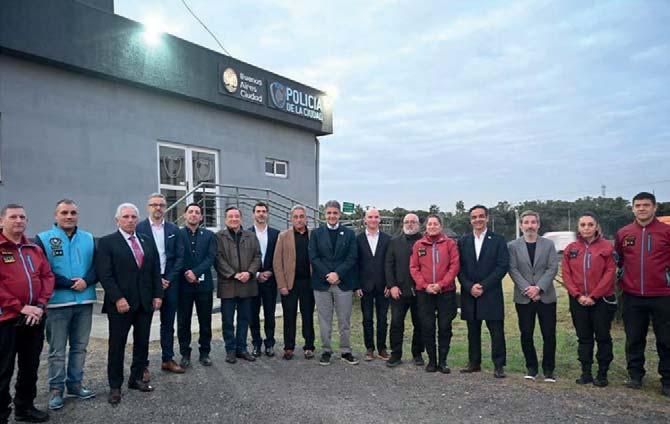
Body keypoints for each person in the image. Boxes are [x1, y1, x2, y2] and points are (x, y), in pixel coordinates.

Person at [96, 203, 163, 405]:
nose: (130, 220)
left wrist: (158, 294)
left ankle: (136, 379)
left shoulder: (146, 240)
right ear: (117, 220)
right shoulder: (107, 242)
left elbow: (155, 270)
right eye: (126, 217)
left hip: (144, 303)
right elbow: (105, 274)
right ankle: (115, 386)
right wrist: (118, 298)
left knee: (142, 343)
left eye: (134, 217)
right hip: (121, 305)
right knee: (117, 346)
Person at [36, 200, 97, 411]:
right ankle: (56, 389)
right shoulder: (43, 239)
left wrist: (86, 281)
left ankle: (75, 384)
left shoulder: (88, 238)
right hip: (57, 303)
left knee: (80, 347)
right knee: (57, 350)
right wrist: (69, 283)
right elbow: (43, 270)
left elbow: (97, 266)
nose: (69, 216)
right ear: (56, 216)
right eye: (64, 213)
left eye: (73, 213)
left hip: (84, 300)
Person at [0, 204, 54, 423]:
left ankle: (25, 407)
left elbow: (47, 276)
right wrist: (19, 306)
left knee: (30, 366)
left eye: (22, 217)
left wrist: (40, 304)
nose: (19, 220)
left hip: (34, 317)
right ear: (2, 221)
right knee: (3, 369)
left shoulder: (34, 249)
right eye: (13, 217)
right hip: (6, 319)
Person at [615, 192, 670, 397]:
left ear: (655, 207)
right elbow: (618, 259)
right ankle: (635, 376)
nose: (642, 209)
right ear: (633, 209)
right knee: (634, 338)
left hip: (662, 294)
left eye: (646, 205)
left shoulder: (666, 231)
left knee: (666, 340)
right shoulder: (624, 233)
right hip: (632, 295)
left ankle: (667, 380)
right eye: (638, 205)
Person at [562, 212, 617, 387]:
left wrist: (594, 296)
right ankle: (586, 373)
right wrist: (577, 295)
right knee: (584, 338)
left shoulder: (606, 247)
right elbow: (566, 274)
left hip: (601, 300)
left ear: (596, 226)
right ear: (578, 227)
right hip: (578, 300)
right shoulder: (571, 248)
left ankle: (602, 374)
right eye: (583, 225)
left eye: (590, 224)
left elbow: (610, 273)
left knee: (603, 337)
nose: (586, 228)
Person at [458, 205, 510, 378]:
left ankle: (499, 365)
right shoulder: (463, 241)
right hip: (470, 293)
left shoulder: (498, 240)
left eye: (481, 216)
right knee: (473, 331)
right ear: (470, 220)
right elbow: (459, 268)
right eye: (474, 217)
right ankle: (474, 363)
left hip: (491, 292)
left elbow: (502, 266)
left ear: (487, 218)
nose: (477, 220)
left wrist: (483, 286)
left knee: (496, 331)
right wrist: (469, 286)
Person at [136, 193, 185, 376]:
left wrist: (168, 279)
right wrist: (155, 280)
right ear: (148, 207)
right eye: (154, 204)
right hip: (147, 282)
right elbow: (137, 257)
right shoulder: (139, 228)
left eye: (161, 205)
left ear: (165, 207)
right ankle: (142, 364)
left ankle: (167, 359)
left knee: (168, 323)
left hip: (169, 281)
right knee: (144, 324)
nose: (158, 208)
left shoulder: (174, 229)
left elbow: (180, 257)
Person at [508, 210, 559, 382]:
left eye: (533, 222)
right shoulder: (512, 246)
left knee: (549, 334)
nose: (530, 225)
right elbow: (512, 269)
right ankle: (531, 368)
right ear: (521, 225)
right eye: (526, 222)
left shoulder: (548, 244)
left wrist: (538, 288)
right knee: (526, 333)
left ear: (538, 224)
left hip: (546, 296)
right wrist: (527, 289)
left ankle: (549, 369)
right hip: (524, 297)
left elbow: (552, 268)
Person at [309, 200, 360, 366]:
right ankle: (326, 350)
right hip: (322, 283)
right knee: (324, 320)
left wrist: (338, 274)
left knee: (344, 320)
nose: (332, 216)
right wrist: (327, 274)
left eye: (335, 213)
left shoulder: (349, 234)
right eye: (329, 213)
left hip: (343, 282)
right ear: (325, 214)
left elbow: (352, 257)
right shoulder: (316, 233)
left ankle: (345, 351)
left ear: (339, 214)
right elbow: (314, 257)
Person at [409, 215, 460, 373]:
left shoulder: (450, 243)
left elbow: (454, 266)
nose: (432, 226)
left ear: (441, 226)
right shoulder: (419, 244)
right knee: (427, 326)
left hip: (446, 292)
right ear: (426, 227)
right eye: (429, 224)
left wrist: (440, 284)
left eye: (435, 224)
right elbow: (414, 268)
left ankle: (443, 361)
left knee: (444, 326)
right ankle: (432, 361)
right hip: (425, 293)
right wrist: (425, 286)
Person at [214, 207, 261, 364]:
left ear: (241, 218)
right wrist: (233, 274)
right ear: (225, 219)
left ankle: (242, 348)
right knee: (228, 320)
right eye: (230, 216)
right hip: (228, 284)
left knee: (244, 319)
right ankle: (230, 350)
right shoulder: (218, 237)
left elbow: (257, 256)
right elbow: (218, 258)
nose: (234, 219)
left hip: (247, 284)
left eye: (236, 216)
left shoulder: (251, 236)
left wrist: (249, 272)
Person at [176, 203, 216, 368]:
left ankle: (205, 353)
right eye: (190, 212)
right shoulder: (177, 234)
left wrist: (196, 272)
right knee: (183, 322)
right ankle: (185, 353)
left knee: (205, 321)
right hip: (183, 285)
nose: (193, 214)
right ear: (185, 215)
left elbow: (210, 257)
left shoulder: (209, 235)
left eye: (197, 212)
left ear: (201, 217)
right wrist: (187, 273)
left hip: (204, 286)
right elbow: (176, 257)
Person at [273, 205, 315, 360]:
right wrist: (281, 285)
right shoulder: (283, 236)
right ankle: (289, 347)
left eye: (301, 216)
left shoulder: (313, 235)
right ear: (291, 219)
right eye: (296, 217)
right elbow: (277, 262)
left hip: (308, 283)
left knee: (308, 316)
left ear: (306, 218)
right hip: (289, 284)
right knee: (289, 316)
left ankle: (309, 346)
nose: (299, 219)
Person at [385, 213, 425, 367]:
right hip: (399, 291)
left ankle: (417, 354)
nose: (409, 224)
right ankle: (395, 354)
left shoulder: (425, 241)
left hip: (420, 291)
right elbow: (388, 265)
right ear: (403, 224)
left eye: (413, 222)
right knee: (396, 323)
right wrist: (392, 286)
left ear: (418, 224)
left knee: (420, 323)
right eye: (407, 222)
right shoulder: (394, 242)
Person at [356, 208, 391, 361]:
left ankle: (382, 349)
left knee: (383, 319)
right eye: (370, 217)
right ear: (365, 220)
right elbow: (355, 263)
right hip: (365, 286)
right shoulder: (358, 239)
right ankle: (369, 348)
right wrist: (356, 285)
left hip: (383, 286)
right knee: (367, 319)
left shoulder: (387, 239)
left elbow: (390, 263)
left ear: (380, 220)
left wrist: (390, 284)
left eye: (376, 217)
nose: (373, 219)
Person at [248, 202, 280, 358]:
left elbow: (279, 257)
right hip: (252, 280)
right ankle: (256, 344)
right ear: (253, 214)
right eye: (258, 211)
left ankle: (270, 344)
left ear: (267, 214)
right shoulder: (246, 233)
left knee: (269, 313)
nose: (261, 214)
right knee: (253, 314)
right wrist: (255, 274)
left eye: (264, 211)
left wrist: (270, 272)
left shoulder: (276, 234)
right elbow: (244, 258)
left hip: (270, 280)